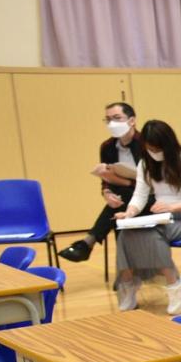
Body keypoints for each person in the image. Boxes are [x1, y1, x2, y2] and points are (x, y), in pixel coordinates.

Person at [111, 119, 181, 315]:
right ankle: (128, 283)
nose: (154, 152)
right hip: (162, 218)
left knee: (152, 234)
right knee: (125, 234)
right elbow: (140, 195)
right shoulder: (145, 164)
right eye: (150, 148)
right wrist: (129, 213)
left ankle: (175, 283)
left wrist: (173, 207)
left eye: (157, 148)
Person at [58, 102, 144, 263]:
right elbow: (106, 178)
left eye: (117, 118)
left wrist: (125, 182)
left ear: (132, 120)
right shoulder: (107, 147)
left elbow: (155, 182)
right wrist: (107, 192)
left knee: (123, 200)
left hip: (151, 197)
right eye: (108, 120)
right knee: (119, 202)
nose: (112, 123)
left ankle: (87, 243)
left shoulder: (146, 143)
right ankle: (126, 267)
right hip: (126, 198)